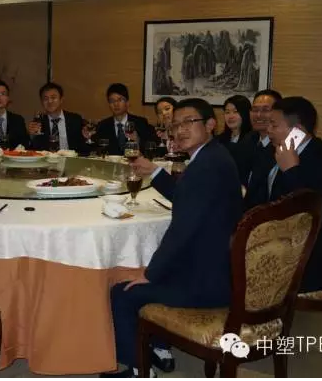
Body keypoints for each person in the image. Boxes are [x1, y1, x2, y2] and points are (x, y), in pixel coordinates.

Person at [103, 98, 242, 377]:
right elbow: (186, 199)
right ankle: (158, 348)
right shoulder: (213, 156)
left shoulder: (206, 166)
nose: (180, 130)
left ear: (210, 125)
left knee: (122, 292)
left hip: (207, 283)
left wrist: (151, 273)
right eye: (175, 125)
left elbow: (182, 230)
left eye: (189, 122)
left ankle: (138, 369)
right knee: (147, 270)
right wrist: (155, 172)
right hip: (217, 267)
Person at [246, 96, 322, 292]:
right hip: (265, 240)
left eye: (274, 125)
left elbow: (314, 215)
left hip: (306, 254)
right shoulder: (271, 152)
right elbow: (254, 200)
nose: (268, 130)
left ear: (297, 130)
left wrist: (292, 171)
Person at [95, 83, 156, 155]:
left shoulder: (140, 123)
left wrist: (138, 140)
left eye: (120, 100)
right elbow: (95, 150)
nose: (116, 104)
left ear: (127, 102)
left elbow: (150, 149)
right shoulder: (102, 126)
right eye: (112, 101)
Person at [238, 89, 282, 186]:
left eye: (265, 110)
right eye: (255, 110)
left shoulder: (281, 147)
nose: (258, 115)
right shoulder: (248, 139)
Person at [28, 82, 85, 153]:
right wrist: (31, 136)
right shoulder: (39, 122)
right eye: (45, 99)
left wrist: (87, 137)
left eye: (53, 97)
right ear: (41, 102)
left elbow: (84, 147)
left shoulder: (75, 120)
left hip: (70, 158)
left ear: (61, 99)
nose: (49, 101)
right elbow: (34, 149)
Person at [217, 95, 253, 182]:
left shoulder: (252, 140)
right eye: (227, 112)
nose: (230, 116)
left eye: (235, 112)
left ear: (245, 113)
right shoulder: (219, 140)